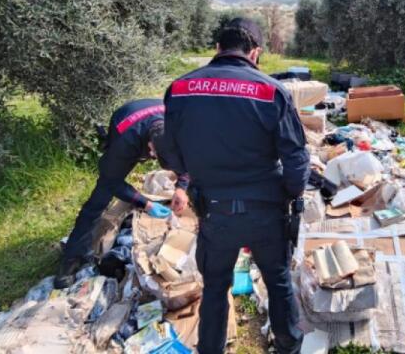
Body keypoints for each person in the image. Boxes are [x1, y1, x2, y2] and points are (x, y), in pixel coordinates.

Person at [163, 18, 310, 354]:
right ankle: (288, 347)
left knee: (215, 288)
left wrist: (196, 173)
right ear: (254, 53)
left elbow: (170, 152)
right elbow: (297, 160)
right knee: (278, 283)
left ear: (218, 48)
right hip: (266, 212)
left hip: (215, 212)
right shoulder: (271, 91)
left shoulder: (180, 89)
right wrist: (289, 194)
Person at [54, 98, 190, 289]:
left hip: (154, 118)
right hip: (127, 123)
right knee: (101, 196)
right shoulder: (126, 142)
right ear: (150, 146)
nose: (152, 158)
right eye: (153, 154)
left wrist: (182, 187)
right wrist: (145, 203)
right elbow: (111, 180)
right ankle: (72, 258)